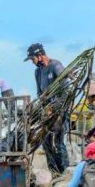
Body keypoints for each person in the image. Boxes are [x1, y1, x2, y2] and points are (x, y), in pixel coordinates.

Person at [25, 43, 69, 174]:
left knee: (58, 143)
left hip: (59, 110)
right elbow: (40, 93)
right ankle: (54, 171)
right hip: (47, 112)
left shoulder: (55, 66)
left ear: (39, 56)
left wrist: (55, 107)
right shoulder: (37, 72)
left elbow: (66, 89)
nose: (32, 62)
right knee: (46, 142)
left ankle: (65, 172)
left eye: (32, 59)